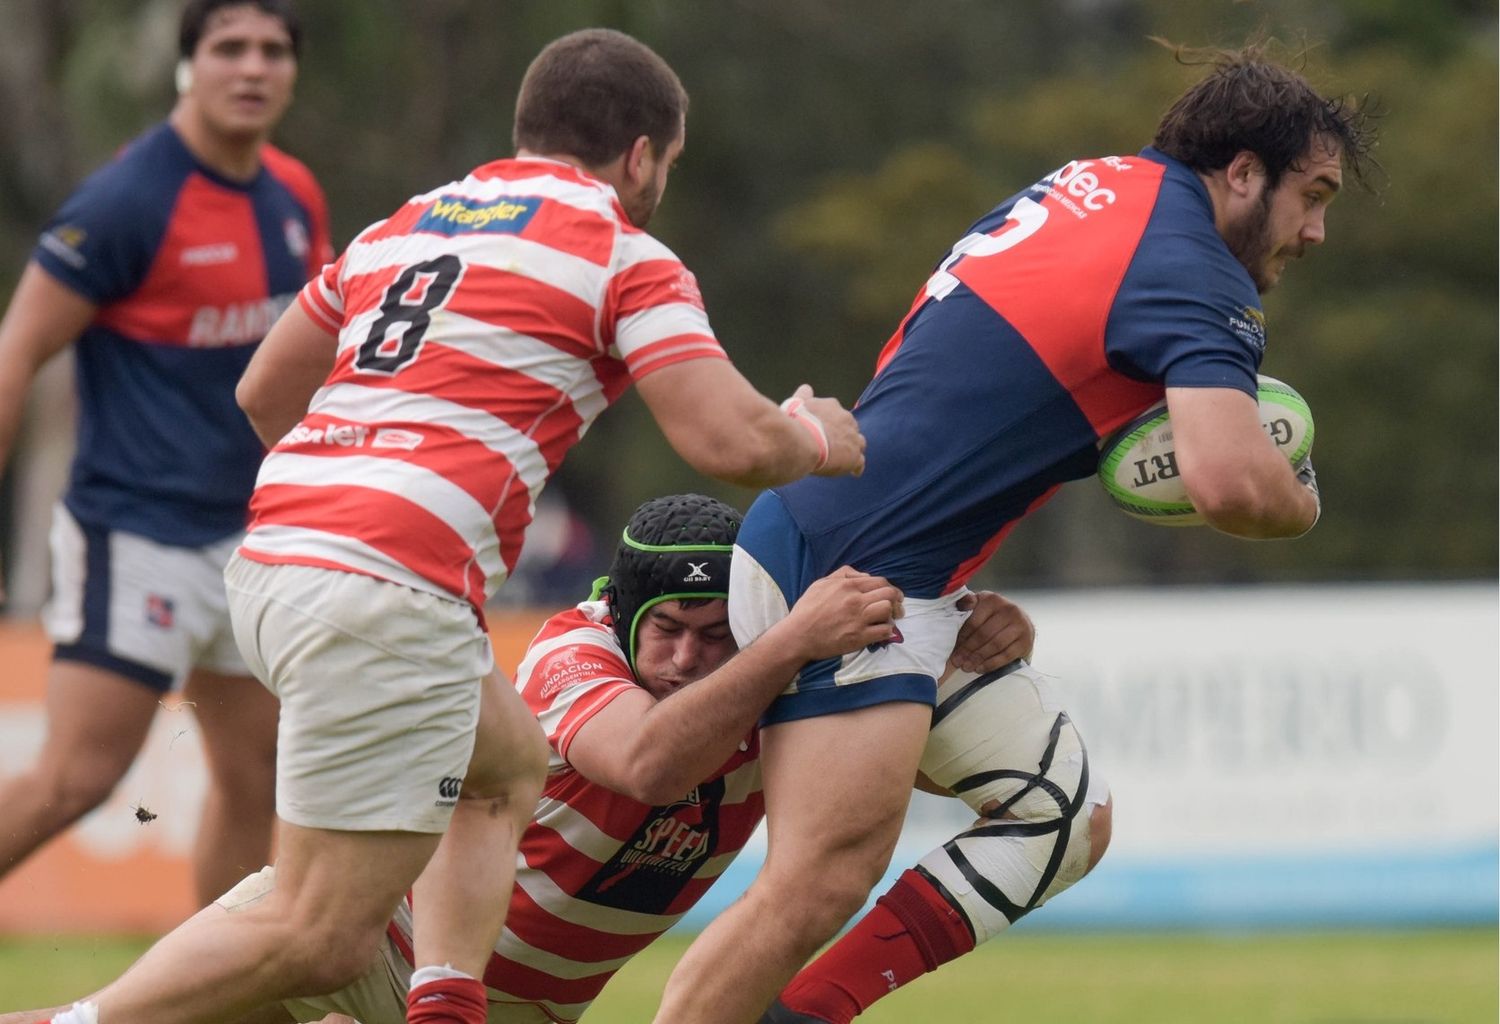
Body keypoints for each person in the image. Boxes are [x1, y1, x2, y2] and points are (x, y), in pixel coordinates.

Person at [31, 29, 866, 1024]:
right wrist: (818, 435)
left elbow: (261, 391)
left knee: (505, 763)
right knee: (319, 932)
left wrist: (358, 480)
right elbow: (730, 440)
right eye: (667, 167)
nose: (659, 186)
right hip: (387, 581)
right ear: (641, 154)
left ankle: (444, 1004)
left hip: (271, 556)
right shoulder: (623, 252)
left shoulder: (405, 225)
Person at [650, 45, 1379, 1024]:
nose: (1318, 229)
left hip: (882, 555)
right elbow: (1232, 484)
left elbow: (1002, 391)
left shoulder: (1104, 185)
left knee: (1067, 814)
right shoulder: (1194, 267)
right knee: (816, 882)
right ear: (1242, 171)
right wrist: (1302, 494)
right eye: (1313, 194)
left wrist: (956, 584)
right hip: (853, 572)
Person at [0, 493, 1042, 1024]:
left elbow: (928, 769)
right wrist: (780, 646)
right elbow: (643, 764)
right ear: (623, 612)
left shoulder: (785, 685)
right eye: (667, 629)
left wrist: (972, 652)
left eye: (714, 632)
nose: (687, 658)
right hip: (380, 935)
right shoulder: (573, 648)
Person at [0, 0, 329, 907]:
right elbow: (17, 348)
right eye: (230, 48)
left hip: (251, 540)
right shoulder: (128, 201)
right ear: (191, 65)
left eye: (273, 49)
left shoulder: (294, 195)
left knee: (257, 776)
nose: (253, 67)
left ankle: (215, 999)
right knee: (79, 776)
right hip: (135, 530)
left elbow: (311, 356)